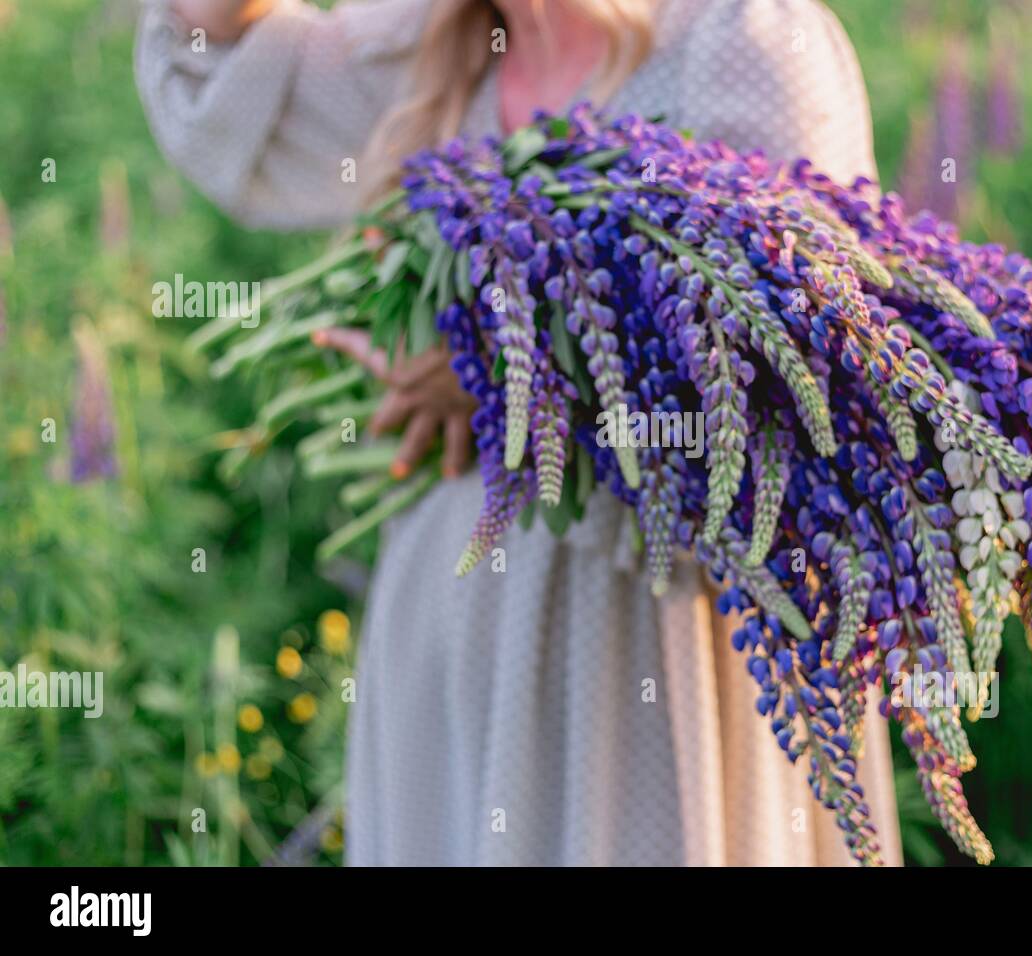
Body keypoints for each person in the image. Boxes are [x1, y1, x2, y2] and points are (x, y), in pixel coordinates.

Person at [137, 0, 902, 866]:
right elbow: (221, 80)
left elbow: (808, 384)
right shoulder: (430, 44)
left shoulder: (737, 41)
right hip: (446, 665)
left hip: (654, 661)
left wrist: (509, 376)